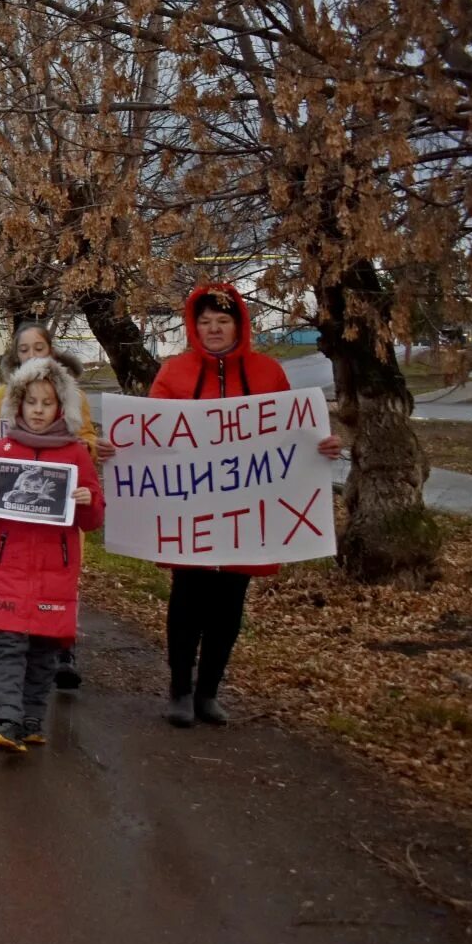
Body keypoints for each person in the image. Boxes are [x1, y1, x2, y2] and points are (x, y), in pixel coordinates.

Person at [121, 283, 340, 727]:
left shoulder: (268, 373)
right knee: (187, 600)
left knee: (229, 604)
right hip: (191, 512)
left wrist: (321, 447)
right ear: (193, 326)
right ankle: (180, 690)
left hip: (246, 516)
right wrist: (119, 449)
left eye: (222, 321)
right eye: (205, 322)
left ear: (239, 324)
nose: (214, 329)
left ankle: (208, 693)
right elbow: (150, 436)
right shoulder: (174, 374)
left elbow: (288, 437)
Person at [0, 357, 105, 752]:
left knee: (45, 647)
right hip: (8, 565)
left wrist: (86, 498)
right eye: (32, 402)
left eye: (48, 403)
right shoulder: (4, 450)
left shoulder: (76, 454)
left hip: (55, 569)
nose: (39, 410)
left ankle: (31, 719)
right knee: (8, 644)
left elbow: (94, 518)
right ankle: (5, 721)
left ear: (62, 406)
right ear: (18, 405)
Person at [0, 321, 99, 690]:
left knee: (58, 586)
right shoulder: (2, 397)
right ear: (15, 355)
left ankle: (62, 648)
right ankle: (16, 650)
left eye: (39, 347)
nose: (32, 354)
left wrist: (84, 464)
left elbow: (87, 440)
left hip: (57, 524)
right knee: (19, 593)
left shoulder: (71, 396)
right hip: (14, 531)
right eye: (24, 349)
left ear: (52, 350)